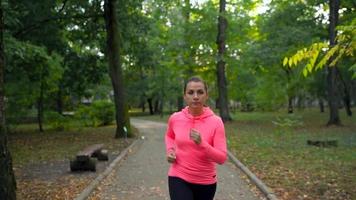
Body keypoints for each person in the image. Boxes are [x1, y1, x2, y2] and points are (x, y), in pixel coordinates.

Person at [165, 76, 227, 200]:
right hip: (178, 176)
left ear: (206, 95)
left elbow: (221, 158)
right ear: (185, 96)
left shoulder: (216, 122)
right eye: (190, 92)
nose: (195, 96)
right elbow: (169, 136)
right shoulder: (175, 118)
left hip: (205, 181)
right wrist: (170, 150)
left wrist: (202, 143)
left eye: (200, 92)